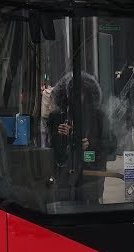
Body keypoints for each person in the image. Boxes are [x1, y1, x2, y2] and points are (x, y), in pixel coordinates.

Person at [47, 71, 113, 205]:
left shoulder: (99, 117)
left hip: (91, 178)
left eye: (79, 92)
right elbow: (52, 150)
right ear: (66, 93)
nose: (75, 96)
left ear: (86, 93)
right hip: (64, 181)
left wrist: (91, 144)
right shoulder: (56, 117)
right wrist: (60, 136)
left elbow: (111, 145)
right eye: (71, 91)